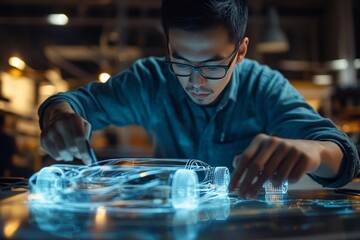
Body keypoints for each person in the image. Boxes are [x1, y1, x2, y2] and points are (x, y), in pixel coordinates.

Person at [38, 0, 360, 198]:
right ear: (167, 46)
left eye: (213, 65)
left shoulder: (264, 88)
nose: (196, 82)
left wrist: (315, 151)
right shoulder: (151, 80)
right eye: (181, 62)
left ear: (240, 53)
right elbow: (71, 102)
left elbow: (343, 157)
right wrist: (58, 116)